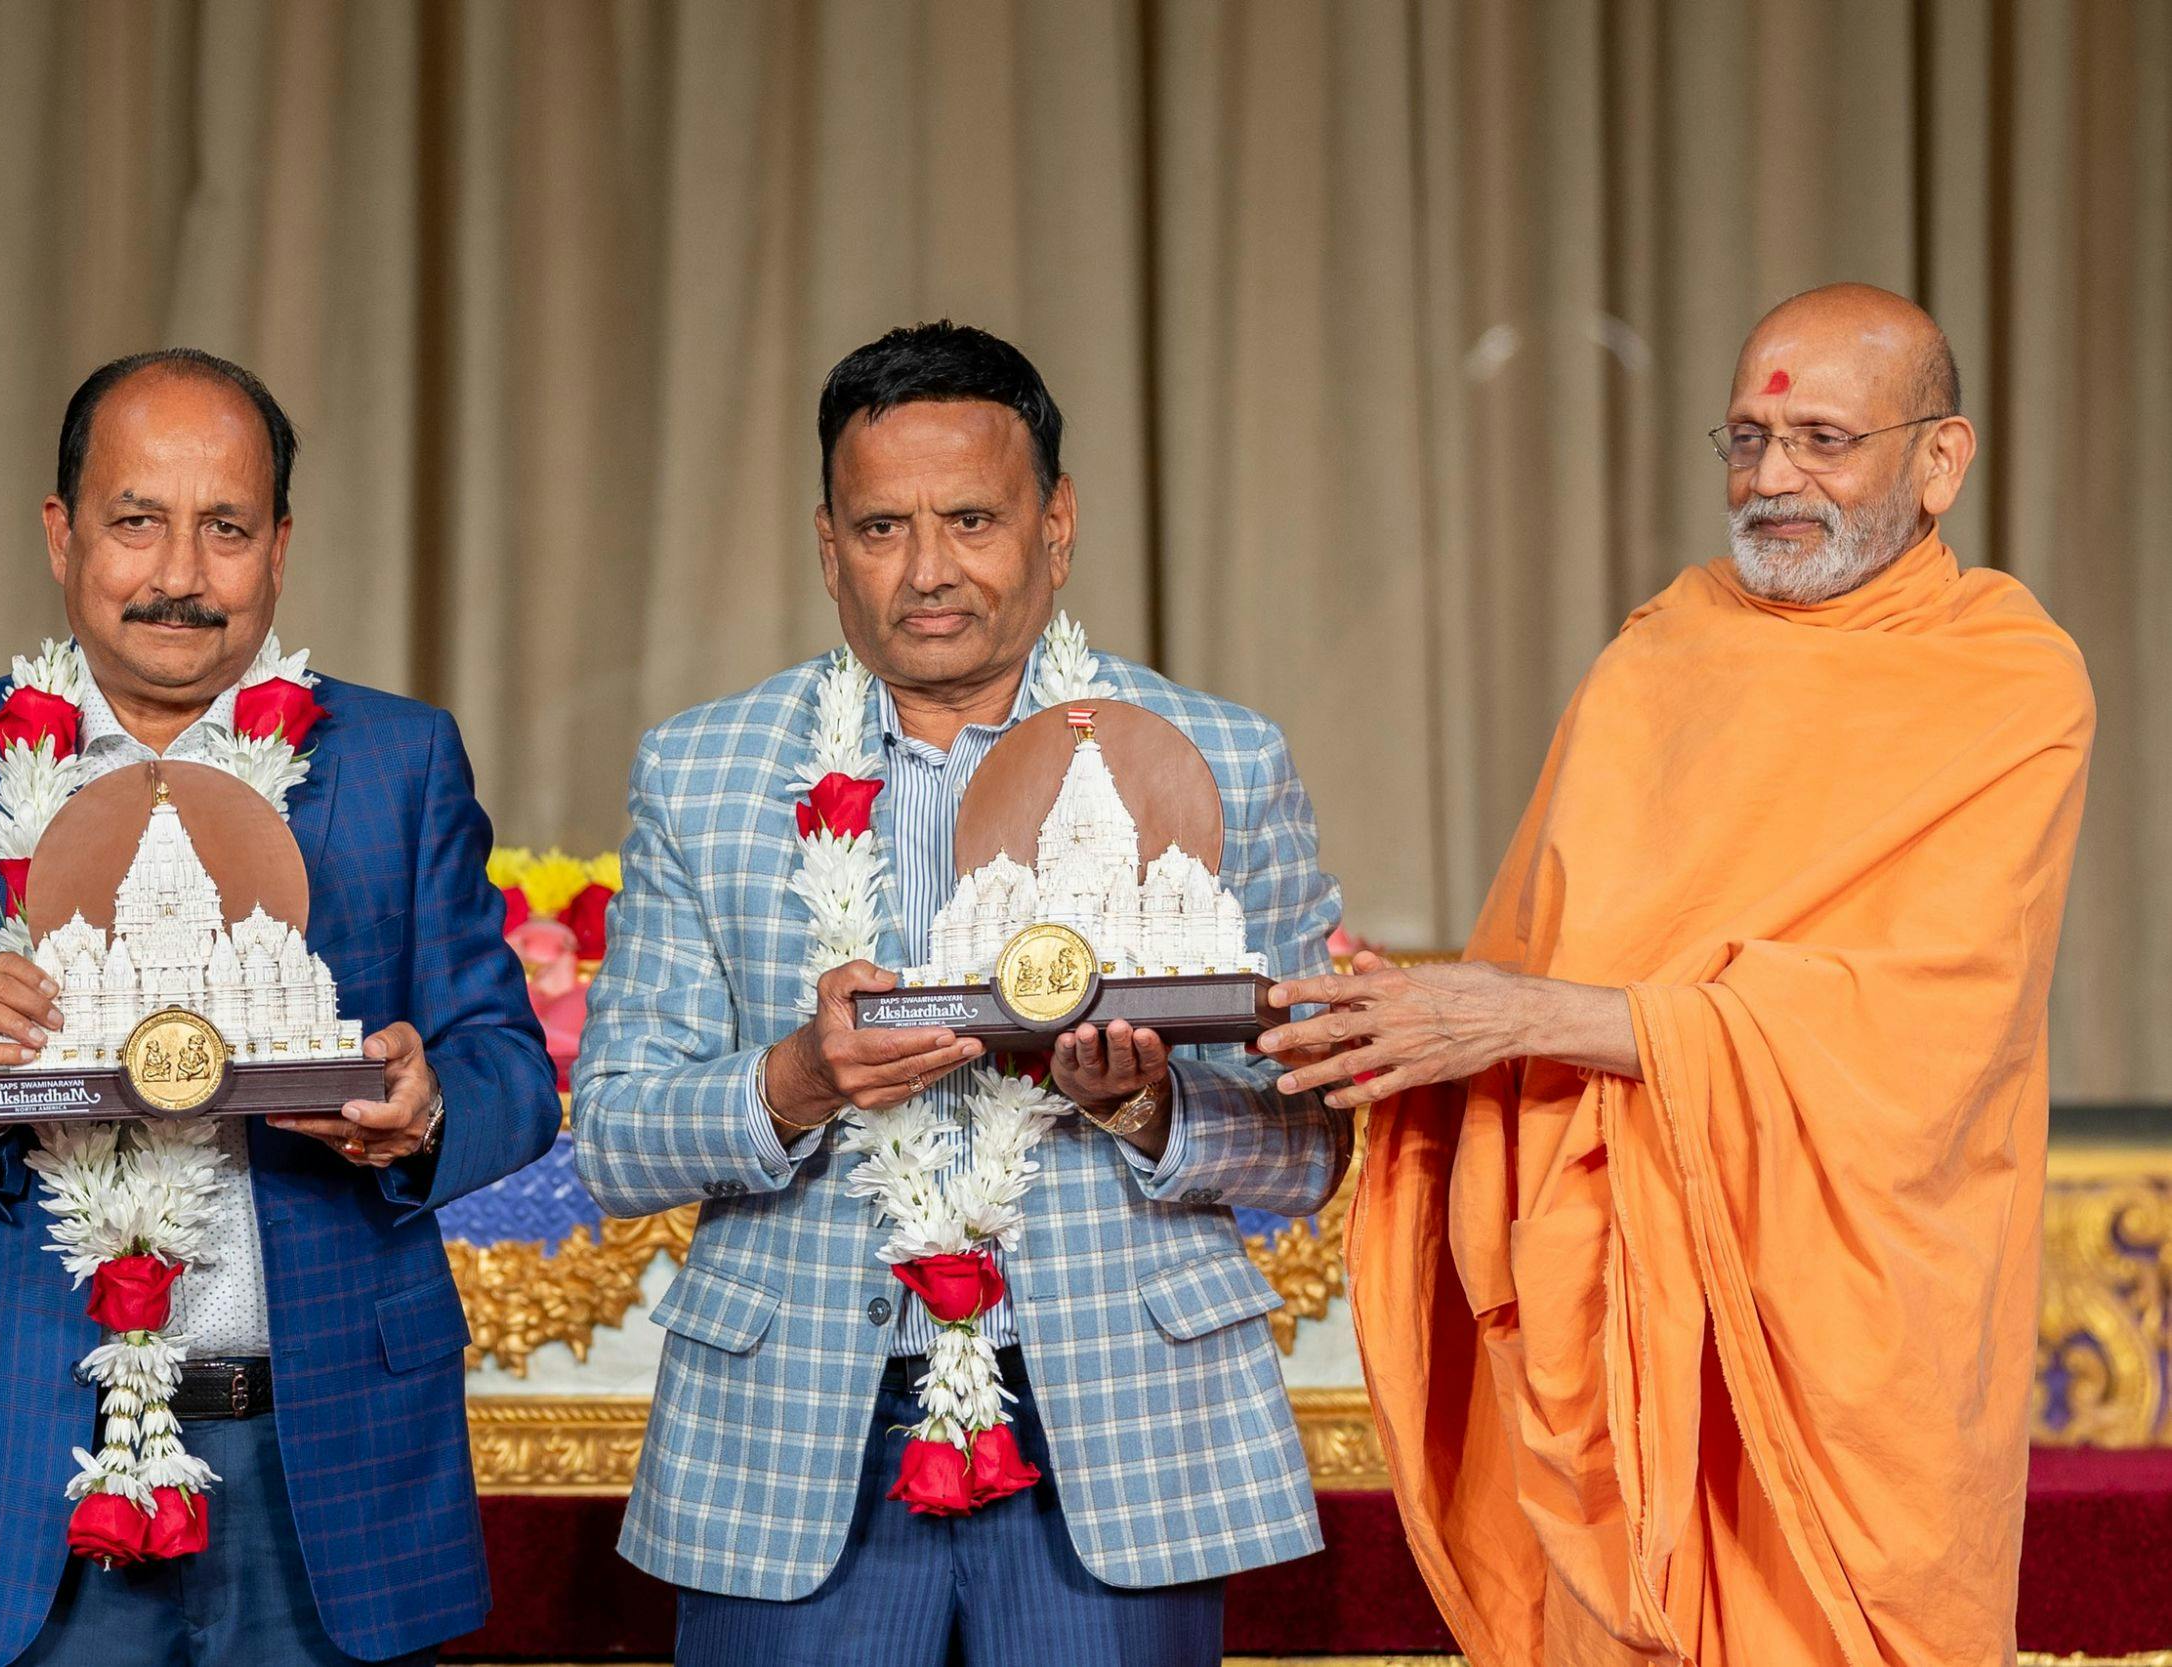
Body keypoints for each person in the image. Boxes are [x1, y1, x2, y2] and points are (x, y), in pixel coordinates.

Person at [1263, 284, 2094, 1666]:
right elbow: (1529, 973)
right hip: (1617, 1303)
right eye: (1749, 440)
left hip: (1853, 1325)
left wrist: (1523, 1014)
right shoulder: (1658, 659)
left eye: (1824, 439)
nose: (1773, 479)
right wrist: (1402, 1016)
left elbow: (1920, 1030)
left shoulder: (2007, 681)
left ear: (1939, 462)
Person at [0, 349, 562, 1667]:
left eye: (226, 528)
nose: (180, 574)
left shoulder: (396, 761)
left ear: (281, 548)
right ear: (62, 534)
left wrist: (426, 1114)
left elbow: (509, 1072)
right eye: (136, 521)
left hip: (329, 1463)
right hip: (29, 1454)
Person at [572, 321, 1346, 1666]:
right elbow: (615, 1136)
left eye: (972, 519)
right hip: (801, 1433)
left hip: (1116, 1427)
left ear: (1057, 527)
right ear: (827, 545)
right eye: (881, 529)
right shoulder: (704, 771)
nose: (927, 572)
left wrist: (1152, 1110)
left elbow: (1312, 1146)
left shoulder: (1218, 757)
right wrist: (794, 1082)